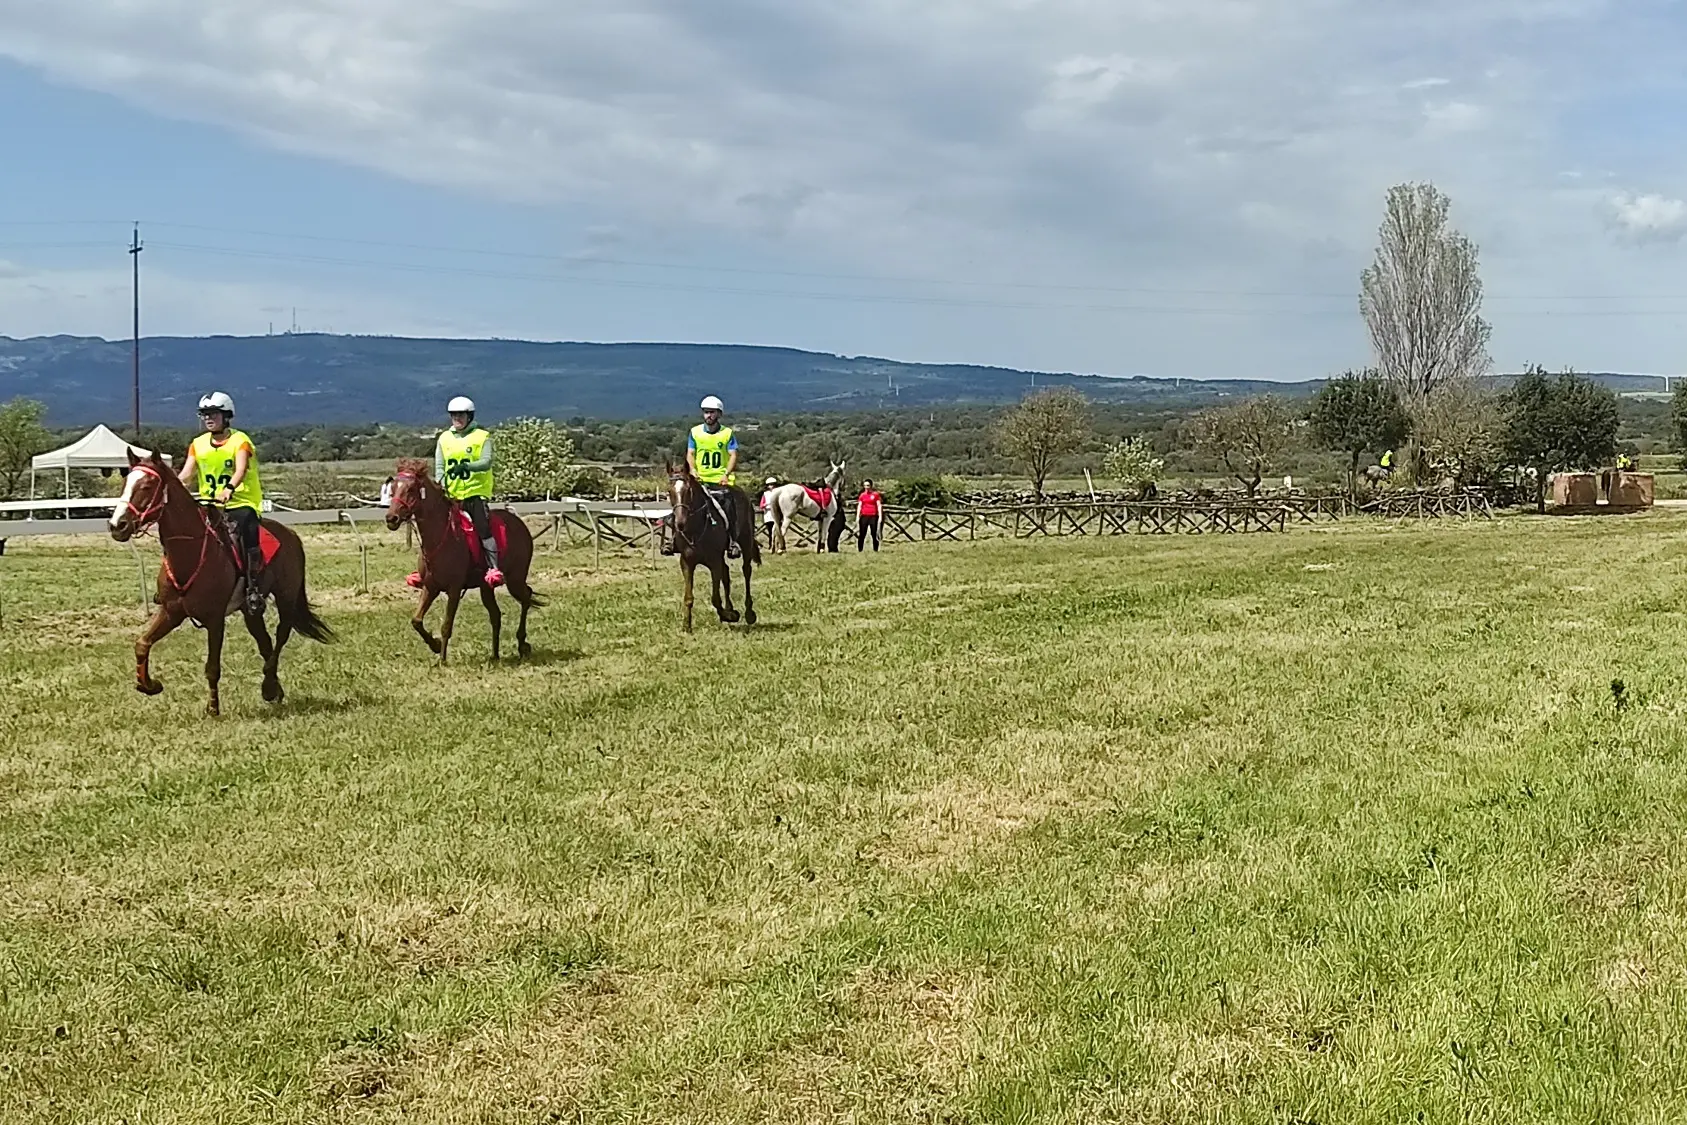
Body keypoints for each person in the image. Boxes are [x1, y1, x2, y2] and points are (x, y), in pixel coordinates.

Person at [177, 391, 266, 614]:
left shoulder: (240, 441)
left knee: (246, 529)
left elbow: (241, 469)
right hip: (208, 503)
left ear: (226, 416)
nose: (208, 418)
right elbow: (187, 473)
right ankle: (175, 583)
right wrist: (175, 488)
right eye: (204, 414)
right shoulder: (197, 444)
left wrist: (228, 490)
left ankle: (252, 586)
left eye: (213, 414)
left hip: (240, 501)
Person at [415, 395, 501, 588]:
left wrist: (468, 467)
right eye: (454, 415)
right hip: (451, 495)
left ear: (469, 416)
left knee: (483, 528)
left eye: (461, 415)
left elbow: (486, 462)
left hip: (474, 493)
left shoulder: (481, 437)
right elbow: (440, 467)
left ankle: (493, 567)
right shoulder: (444, 439)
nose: (457, 419)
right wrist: (441, 484)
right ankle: (426, 570)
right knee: (434, 530)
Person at [669, 394, 741, 558]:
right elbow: (690, 453)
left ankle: (732, 541)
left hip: (720, 481)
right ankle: (673, 539)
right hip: (699, 480)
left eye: (712, 412)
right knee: (680, 503)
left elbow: (733, 455)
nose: (709, 415)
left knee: (728, 507)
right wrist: (693, 470)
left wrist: (726, 474)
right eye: (706, 412)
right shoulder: (695, 432)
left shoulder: (727, 433)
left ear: (719, 414)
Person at [855, 479, 883, 552]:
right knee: (862, 533)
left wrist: (880, 516)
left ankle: (875, 549)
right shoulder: (862, 495)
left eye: (868, 485)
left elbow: (879, 505)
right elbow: (859, 506)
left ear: (871, 486)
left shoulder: (875, 495)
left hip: (873, 516)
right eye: (865, 486)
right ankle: (860, 549)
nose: (866, 487)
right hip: (864, 516)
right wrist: (857, 516)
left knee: (874, 533)